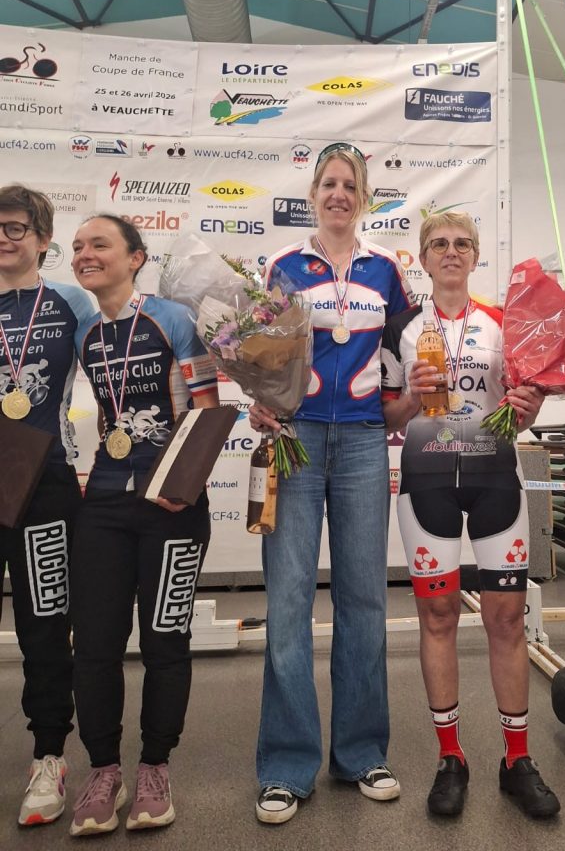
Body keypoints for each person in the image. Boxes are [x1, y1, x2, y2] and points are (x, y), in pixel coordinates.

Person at [248, 141, 414, 824]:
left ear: (364, 196)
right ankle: (287, 766)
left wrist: (404, 407)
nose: (339, 194)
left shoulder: (386, 270)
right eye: (329, 184)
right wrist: (257, 397)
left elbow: (403, 359)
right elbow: (258, 352)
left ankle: (361, 751)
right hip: (297, 440)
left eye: (350, 184)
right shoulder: (283, 267)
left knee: (363, 602)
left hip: (366, 444)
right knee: (287, 604)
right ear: (313, 194)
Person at [380, 211, 560, 819]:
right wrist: (410, 395)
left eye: (461, 244)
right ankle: (450, 757)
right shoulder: (401, 326)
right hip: (426, 480)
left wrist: (527, 406)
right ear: (423, 259)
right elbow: (386, 417)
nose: (450, 253)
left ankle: (517, 760)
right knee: (438, 614)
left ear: (475, 255)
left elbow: (522, 412)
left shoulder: (505, 324)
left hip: (493, 480)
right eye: (439, 245)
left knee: (508, 618)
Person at [68, 214, 219, 836]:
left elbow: (206, 413)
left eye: (99, 244)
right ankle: (104, 771)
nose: (84, 254)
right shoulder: (84, 331)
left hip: (172, 507)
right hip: (104, 502)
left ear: (135, 258)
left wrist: (180, 490)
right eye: (77, 247)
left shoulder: (174, 319)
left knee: (164, 643)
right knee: (96, 646)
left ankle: (155, 767)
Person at [0, 185, 92, 827]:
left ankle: (49, 756)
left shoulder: (70, 301)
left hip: (45, 482)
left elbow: (120, 361)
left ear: (41, 237)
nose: (5, 238)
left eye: (15, 228)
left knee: (43, 623)